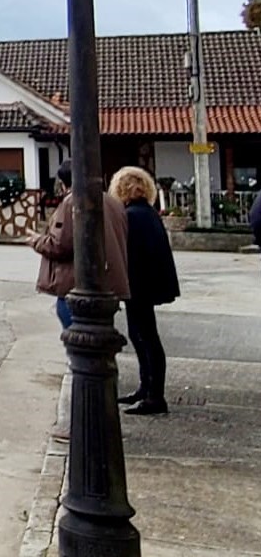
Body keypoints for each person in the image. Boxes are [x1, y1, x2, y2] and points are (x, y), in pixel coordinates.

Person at [110, 167, 179, 416]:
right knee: (142, 334)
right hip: (146, 282)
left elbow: (129, 254)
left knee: (146, 336)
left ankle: (154, 395)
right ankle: (147, 388)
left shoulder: (132, 215)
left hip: (139, 284)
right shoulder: (146, 213)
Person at [30, 161, 131, 329]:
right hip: (108, 284)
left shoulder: (72, 202)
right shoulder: (114, 203)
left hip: (77, 287)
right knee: (100, 339)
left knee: (79, 340)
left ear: (63, 183)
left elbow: (60, 245)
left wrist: (36, 241)